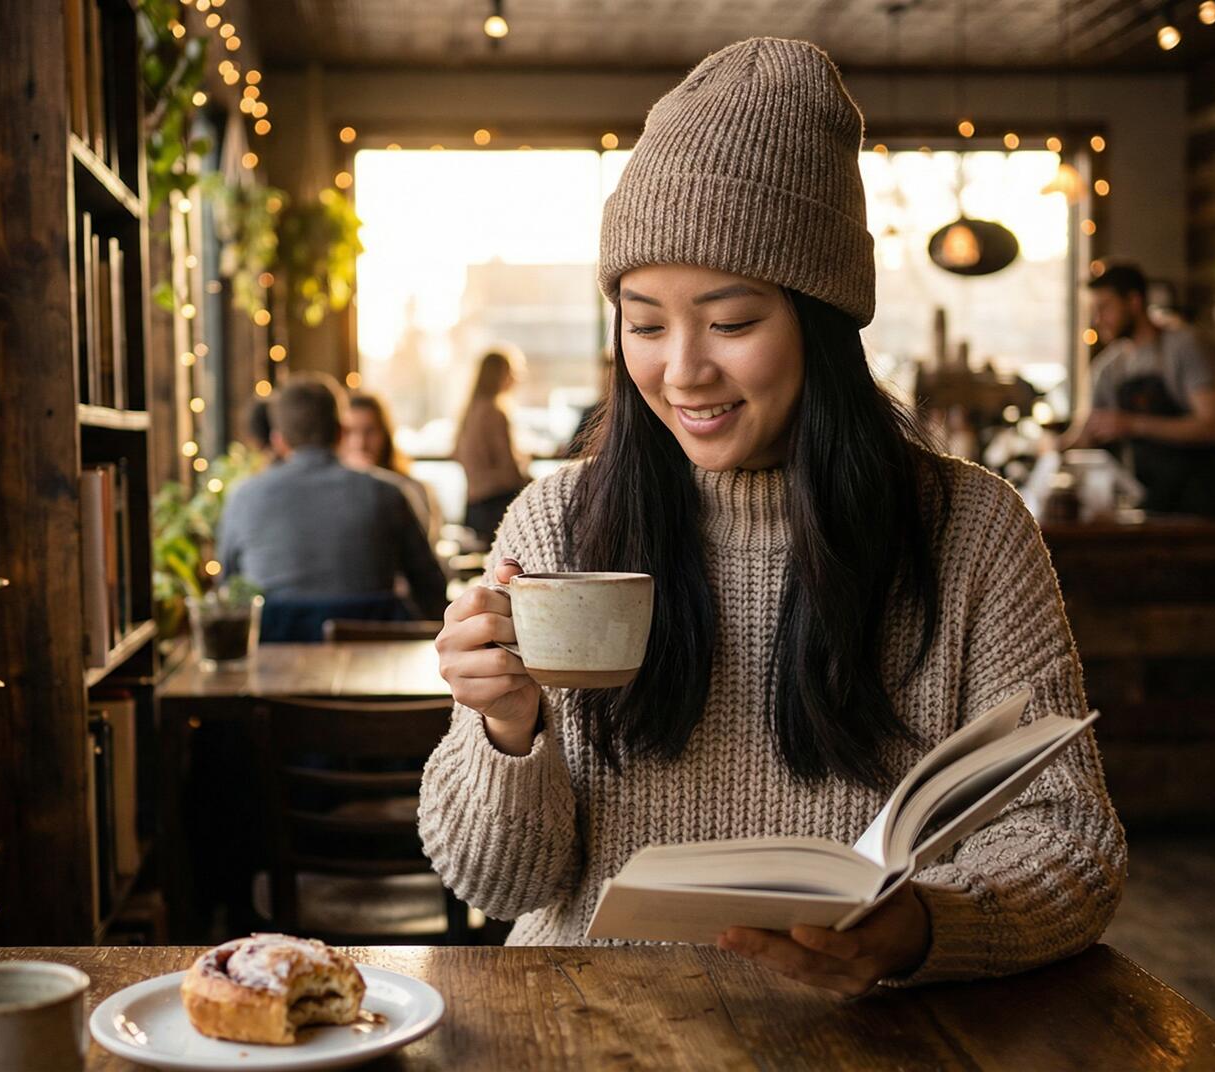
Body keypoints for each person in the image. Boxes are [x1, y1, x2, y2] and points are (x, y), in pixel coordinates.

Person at [418, 38, 1125, 997]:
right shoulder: (556, 522)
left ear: (822, 318)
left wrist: (920, 926)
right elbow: (499, 884)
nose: (682, 371)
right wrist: (505, 730)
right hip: (586, 1025)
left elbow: (1073, 844)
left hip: (859, 1034)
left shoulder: (968, 529)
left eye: (732, 321)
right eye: (645, 321)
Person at [215, 375, 448, 638]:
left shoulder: (243, 497)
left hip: (275, 661)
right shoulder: (388, 494)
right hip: (373, 661)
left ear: (279, 441)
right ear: (341, 432)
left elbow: (228, 588)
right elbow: (431, 588)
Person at [1065, 263, 1215, 517]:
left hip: (1200, 503)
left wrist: (1132, 424)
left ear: (1133, 301)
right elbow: (1086, 433)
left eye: (1105, 308)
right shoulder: (1107, 368)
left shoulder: (1184, 346)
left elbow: (1212, 426)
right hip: (1148, 502)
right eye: (1094, 311)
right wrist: (1051, 448)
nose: (1098, 320)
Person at [341, 391, 444, 547]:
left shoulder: (412, 489)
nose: (360, 443)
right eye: (350, 432)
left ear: (385, 434)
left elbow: (424, 550)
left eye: (370, 431)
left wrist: (372, 476)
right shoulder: (327, 492)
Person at [452, 348, 532, 540]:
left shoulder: (470, 410)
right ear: (500, 375)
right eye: (511, 371)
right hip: (496, 505)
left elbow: (456, 453)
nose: (516, 377)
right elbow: (509, 468)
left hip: (473, 505)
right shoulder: (495, 411)